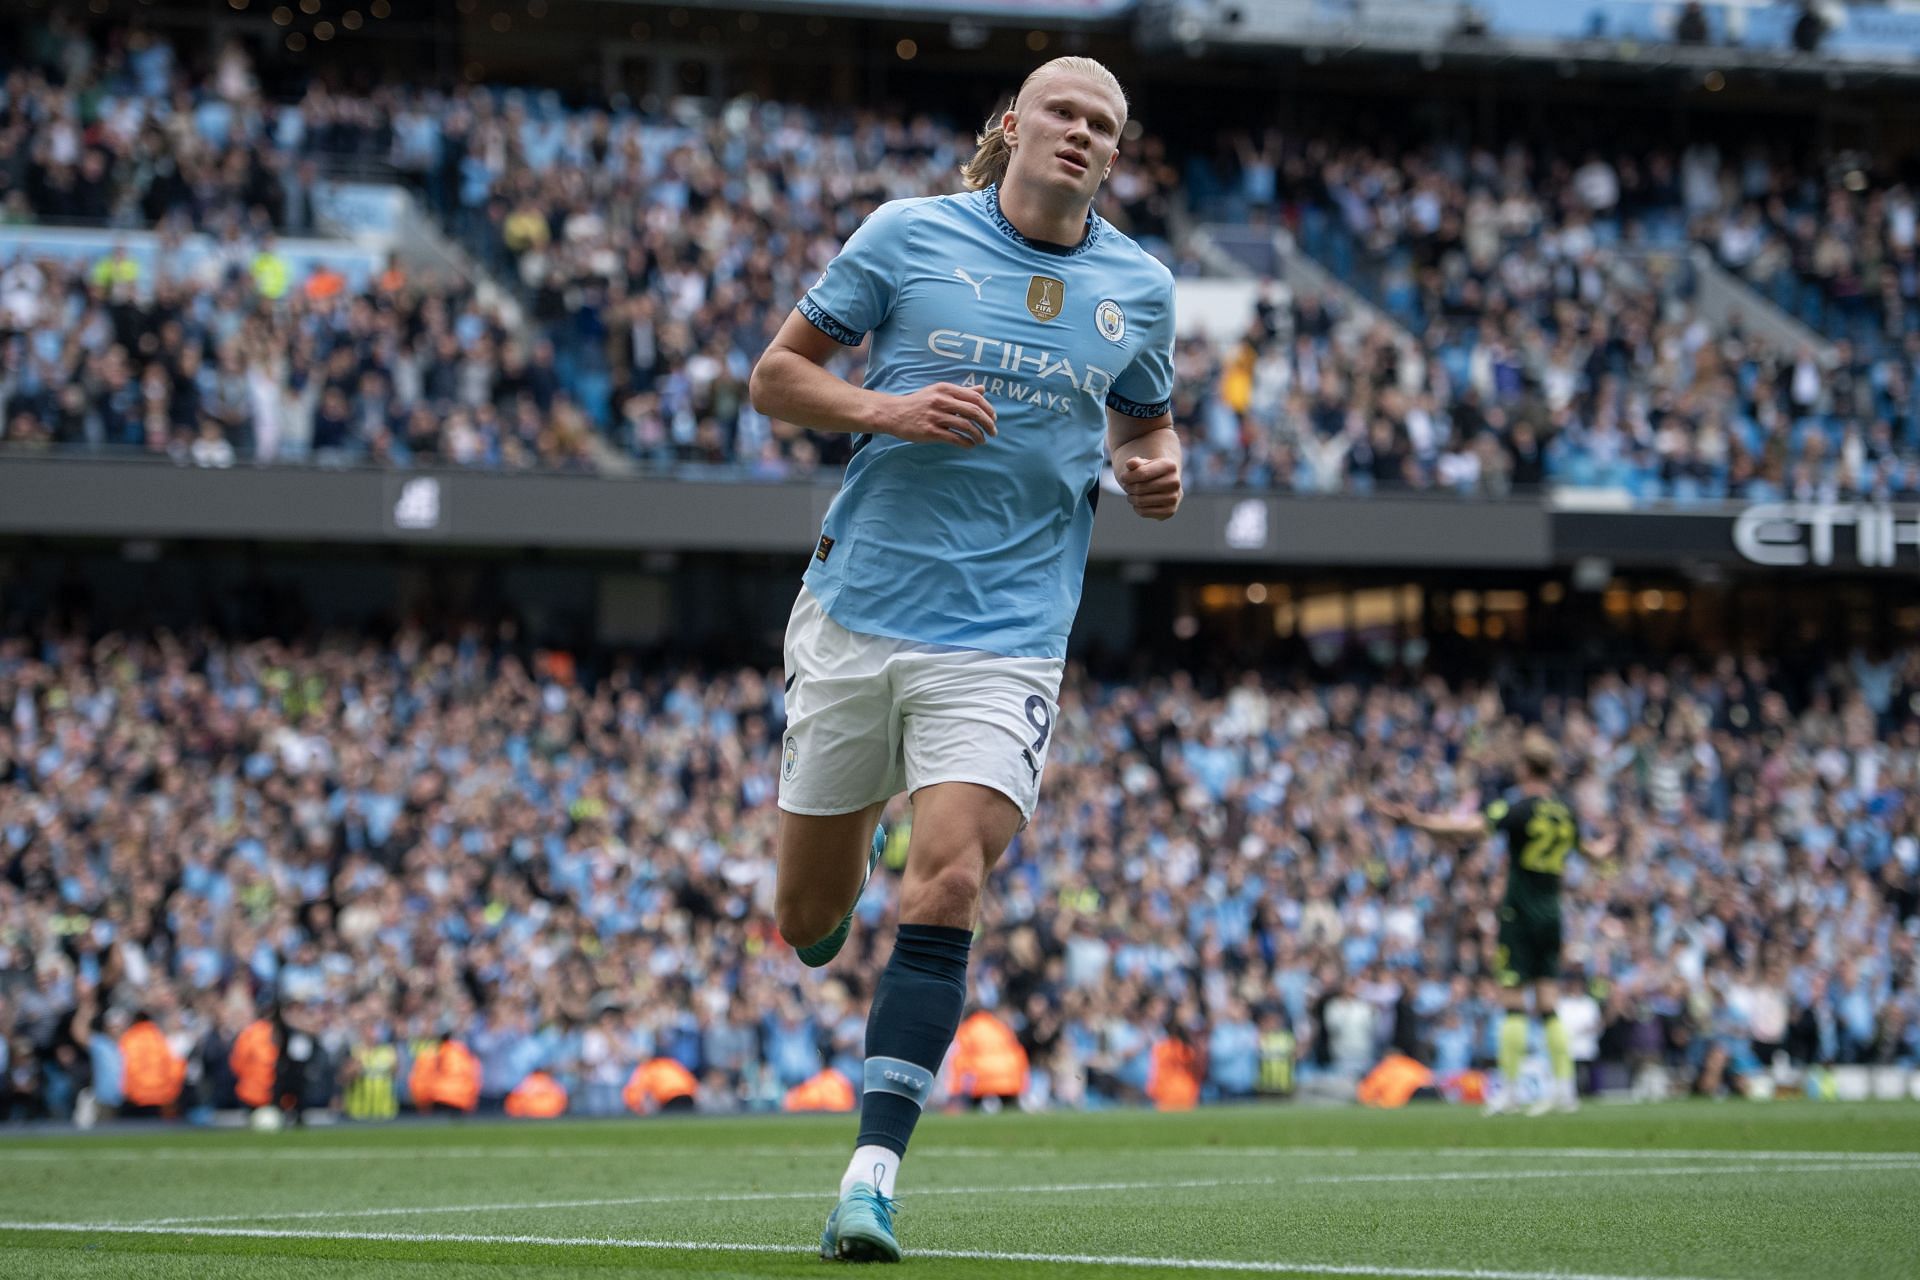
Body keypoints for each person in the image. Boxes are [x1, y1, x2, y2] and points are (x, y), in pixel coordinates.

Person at [747, 54, 1180, 1263]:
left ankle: (869, 1178)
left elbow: (1147, 426)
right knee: (809, 913)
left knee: (947, 885)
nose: (1085, 134)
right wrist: (890, 407)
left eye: (1106, 124)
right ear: (1012, 126)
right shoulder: (906, 235)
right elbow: (775, 376)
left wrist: (1156, 471)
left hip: (1007, 637)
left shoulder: (1139, 286)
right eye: (1065, 114)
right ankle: (850, 851)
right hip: (858, 612)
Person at [1373, 730, 1615, 1116]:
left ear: (1525, 768)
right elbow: (1590, 850)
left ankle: (1512, 1090)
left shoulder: (1519, 808)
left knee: (1514, 1004)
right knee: (1549, 1004)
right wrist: (1604, 851)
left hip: (1520, 912)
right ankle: (1564, 1089)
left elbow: (1469, 828)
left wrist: (1417, 821)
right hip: (1553, 913)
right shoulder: (1563, 811)